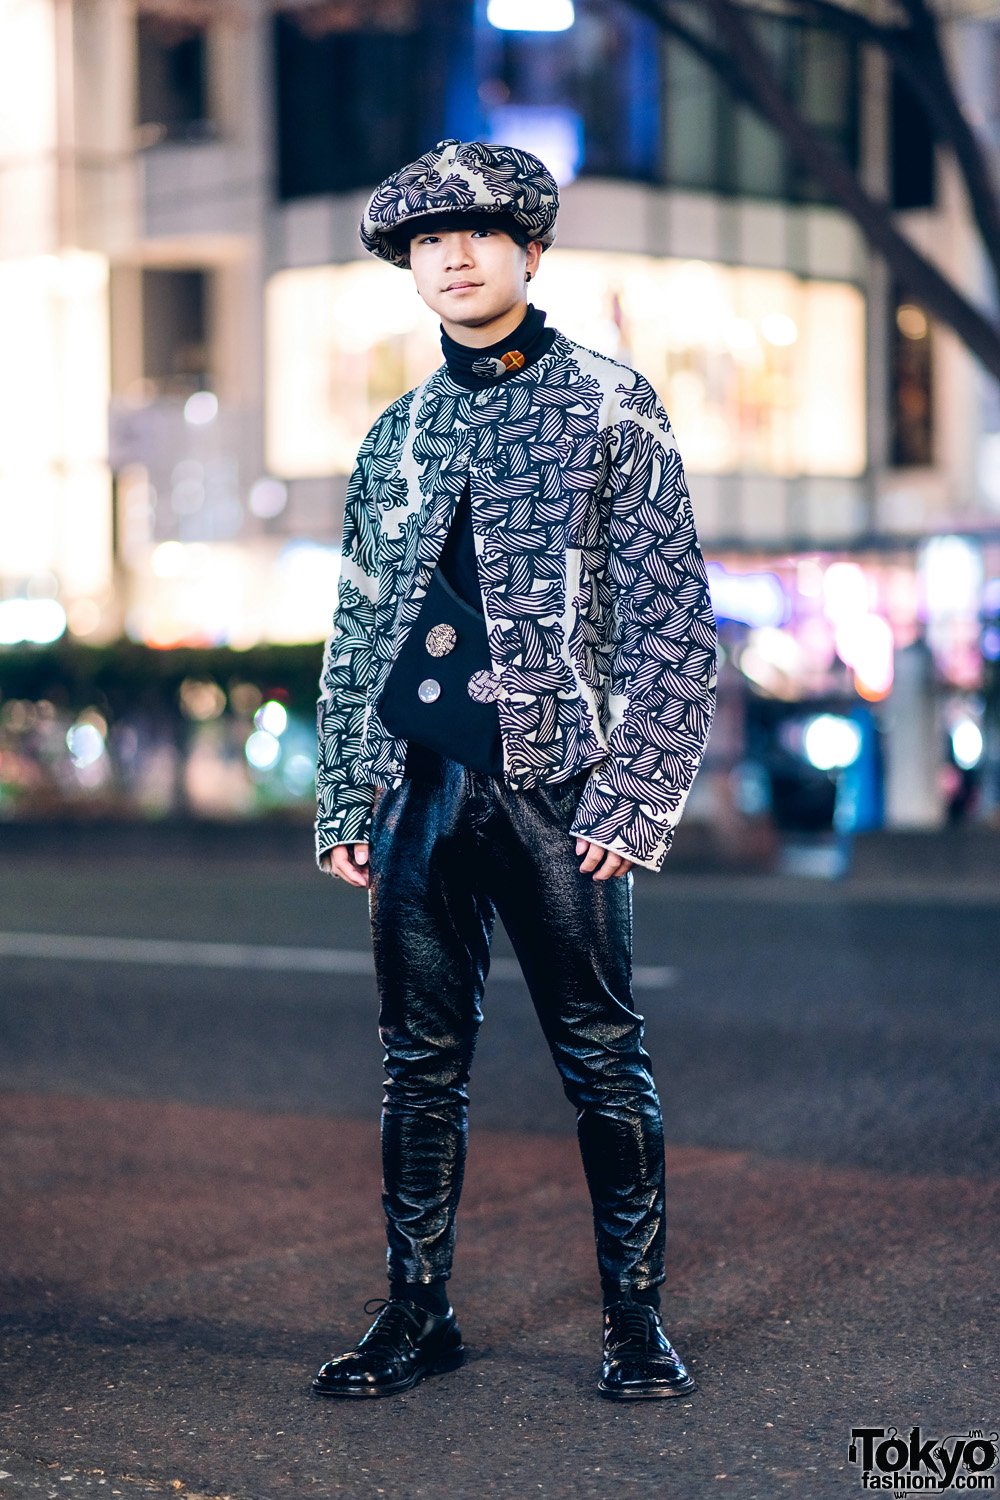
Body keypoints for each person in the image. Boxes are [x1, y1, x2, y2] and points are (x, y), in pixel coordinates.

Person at [310, 138, 717, 1401]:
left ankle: (636, 1320)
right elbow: (360, 621)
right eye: (430, 243)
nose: (455, 257)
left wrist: (638, 792)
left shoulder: (610, 401)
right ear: (410, 268)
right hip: (420, 786)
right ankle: (418, 1312)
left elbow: (673, 620)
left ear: (529, 253)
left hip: (563, 786)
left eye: (480, 236)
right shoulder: (399, 432)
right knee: (416, 1064)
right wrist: (345, 793)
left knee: (602, 1053)